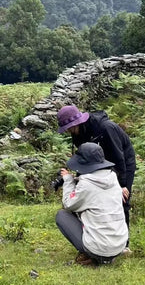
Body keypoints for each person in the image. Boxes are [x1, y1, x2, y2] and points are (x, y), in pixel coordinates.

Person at [56, 104, 136, 247]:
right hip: (98, 162)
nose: (68, 131)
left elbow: (119, 157)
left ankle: (124, 245)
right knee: (93, 198)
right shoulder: (77, 133)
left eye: (68, 128)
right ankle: (96, 237)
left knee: (121, 199)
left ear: (76, 123)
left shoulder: (106, 128)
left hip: (122, 162)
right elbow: (83, 158)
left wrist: (122, 184)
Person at [55, 142, 128, 265]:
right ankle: (108, 255)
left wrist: (68, 180)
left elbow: (68, 204)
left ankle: (94, 256)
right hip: (120, 244)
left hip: (99, 248)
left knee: (62, 215)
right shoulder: (113, 178)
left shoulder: (86, 185)